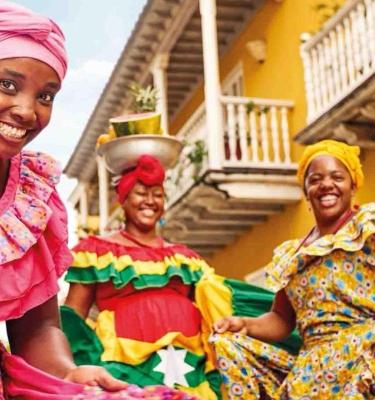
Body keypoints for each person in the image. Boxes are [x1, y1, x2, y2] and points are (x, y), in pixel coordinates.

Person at [0, 2, 196, 399]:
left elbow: (38, 327)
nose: (26, 110)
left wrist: (68, 373)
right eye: (7, 84)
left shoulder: (29, 203)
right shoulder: (100, 253)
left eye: (46, 95)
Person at [62, 154, 301, 400]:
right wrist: (74, 364)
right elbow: (73, 317)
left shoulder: (184, 258)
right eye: (141, 193)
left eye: (157, 194)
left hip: (191, 362)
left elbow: (219, 298)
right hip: (123, 361)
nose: (150, 201)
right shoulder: (96, 251)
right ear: (123, 199)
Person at [212, 139, 375, 399]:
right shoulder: (292, 255)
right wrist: (242, 323)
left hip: (364, 358)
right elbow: (281, 320)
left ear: (353, 184)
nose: (326, 185)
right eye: (315, 179)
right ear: (306, 190)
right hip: (315, 372)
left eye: (337, 177)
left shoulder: (368, 228)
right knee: (227, 345)